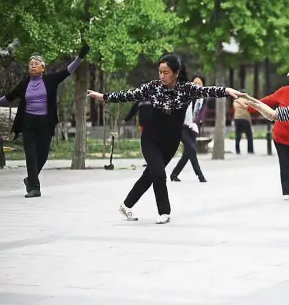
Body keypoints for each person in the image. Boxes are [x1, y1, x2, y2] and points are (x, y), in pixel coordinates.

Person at [88, 53, 244, 224]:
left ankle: (126, 205)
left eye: (166, 72)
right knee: (159, 173)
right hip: (151, 138)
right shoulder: (153, 87)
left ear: (176, 73)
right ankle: (164, 212)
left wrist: (226, 91)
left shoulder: (186, 89)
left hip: (171, 141)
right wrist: (104, 97)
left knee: (150, 175)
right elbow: (130, 94)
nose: (162, 76)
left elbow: (206, 91)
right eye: (160, 72)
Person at [0, 43, 90, 198]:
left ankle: (30, 179)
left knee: (42, 155)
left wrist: (80, 57)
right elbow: (9, 97)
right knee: (31, 155)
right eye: (31, 64)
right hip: (28, 122)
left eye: (36, 64)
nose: (33, 66)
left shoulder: (50, 80)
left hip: (45, 122)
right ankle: (34, 188)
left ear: (42, 68)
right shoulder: (25, 83)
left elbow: (67, 71)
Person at [241, 85, 289, 200]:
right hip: (281, 137)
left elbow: (272, 115)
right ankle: (287, 191)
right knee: (285, 163)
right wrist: (249, 104)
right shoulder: (284, 91)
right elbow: (268, 106)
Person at [170, 74, 207, 183]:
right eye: (195, 83)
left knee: (187, 154)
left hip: (193, 128)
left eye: (199, 83)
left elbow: (202, 113)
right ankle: (200, 175)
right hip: (181, 127)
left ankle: (174, 174)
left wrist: (195, 122)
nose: (197, 85)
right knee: (192, 149)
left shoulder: (203, 99)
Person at [231, 89, 254, 154]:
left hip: (237, 118)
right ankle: (250, 150)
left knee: (238, 135)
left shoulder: (235, 101)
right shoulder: (247, 101)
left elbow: (232, 110)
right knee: (249, 135)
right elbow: (251, 110)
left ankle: (237, 150)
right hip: (245, 118)